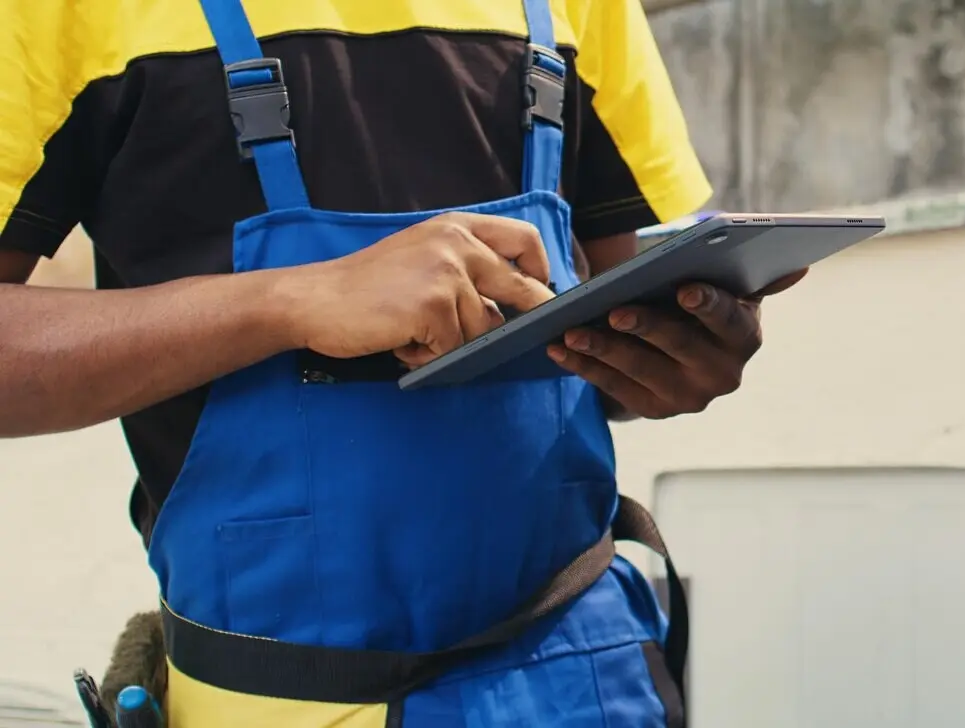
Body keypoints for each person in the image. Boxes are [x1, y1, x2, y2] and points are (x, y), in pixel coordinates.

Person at [0, 1, 805, 725]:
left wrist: (673, 354)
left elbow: (613, 307)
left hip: (583, 682)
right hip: (276, 703)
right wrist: (293, 302)